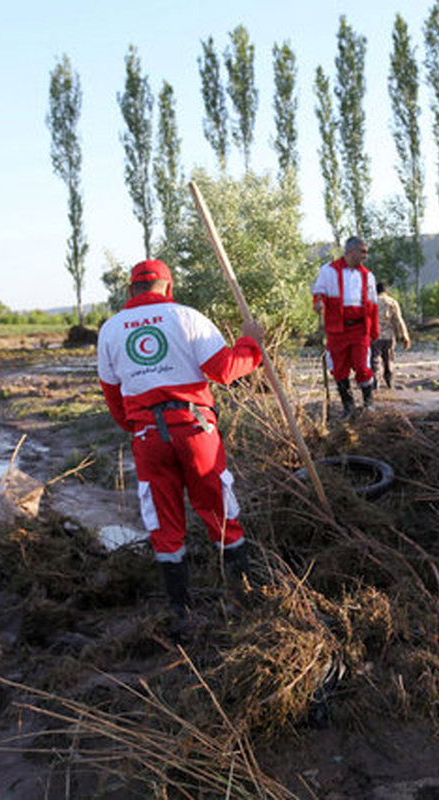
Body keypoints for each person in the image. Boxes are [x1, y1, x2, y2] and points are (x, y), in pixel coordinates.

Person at [97, 258, 265, 630]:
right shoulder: (187, 317)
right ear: (169, 288)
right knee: (219, 511)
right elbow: (224, 371)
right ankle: (242, 597)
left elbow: (113, 396)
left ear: (131, 291)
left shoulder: (110, 330)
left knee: (164, 522)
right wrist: (251, 343)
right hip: (195, 428)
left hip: (148, 437)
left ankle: (180, 612)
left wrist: (138, 427)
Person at [311, 236, 379, 418]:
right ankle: (348, 407)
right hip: (337, 329)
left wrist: (374, 331)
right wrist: (319, 304)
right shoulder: (328, 271)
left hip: (360, 330)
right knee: (339, 369)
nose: (366, 256)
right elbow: (319, 293)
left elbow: (373, 306)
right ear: (350, 252)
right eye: (363, 252)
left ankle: (368, 403)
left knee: (362, 366)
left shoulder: (368, 276)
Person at [371, 281, 411, 389]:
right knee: (388, 361)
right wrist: (405, 336)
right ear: (386, 291)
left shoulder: (371, 301)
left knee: (375, 362)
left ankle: (375, 387)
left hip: (374, 336)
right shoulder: (392, 302)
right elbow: (399, 320)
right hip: (389, 337)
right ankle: (390, 385)